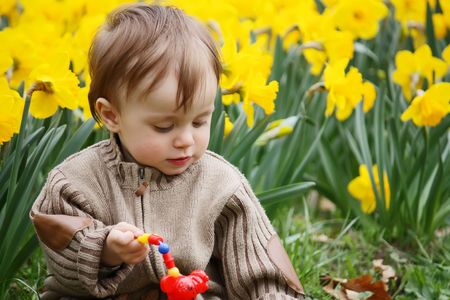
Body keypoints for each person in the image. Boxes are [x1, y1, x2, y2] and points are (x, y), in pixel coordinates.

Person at [30, 3, 305, 299]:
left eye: (200, 121)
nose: (186, 139)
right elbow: (61, 261)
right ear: (111, 115)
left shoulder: (221, 184)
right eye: (164, 126)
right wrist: (106, 250)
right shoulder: (76, 182)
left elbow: (260, 264)